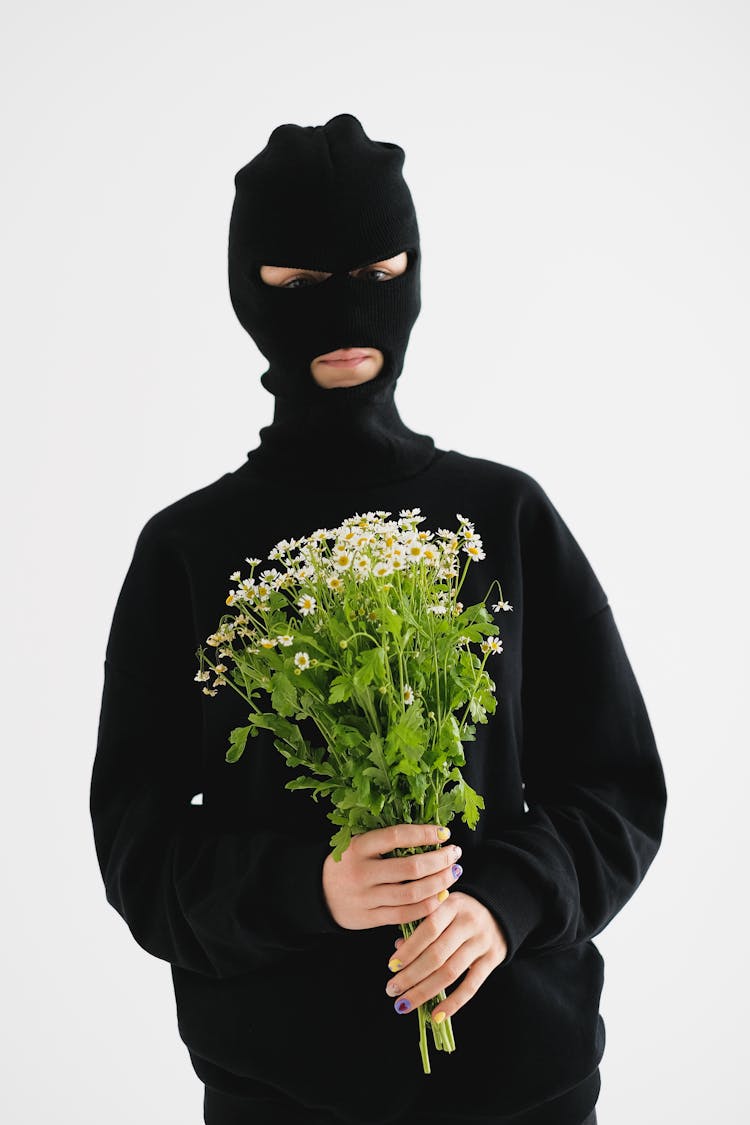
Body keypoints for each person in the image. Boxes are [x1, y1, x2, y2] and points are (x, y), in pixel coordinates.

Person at [89, 113, 667, 1125]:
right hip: (282, 1096)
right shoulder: (189, 552)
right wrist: (313, 890)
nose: (347, 312)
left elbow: (618, 788)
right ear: (247, 290)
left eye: (379, 270)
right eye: (302, 287)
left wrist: (505, 903)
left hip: (526, 1083)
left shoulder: (506, 515)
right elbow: (137, 850)